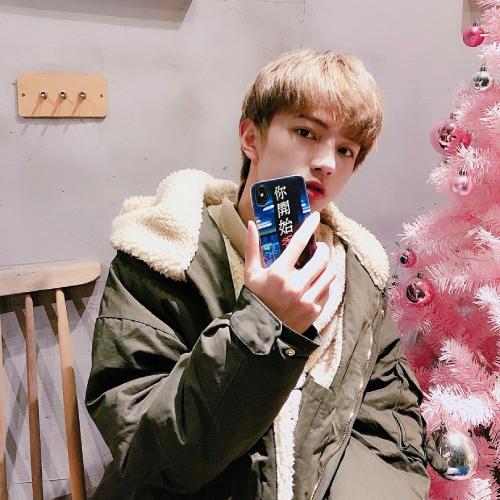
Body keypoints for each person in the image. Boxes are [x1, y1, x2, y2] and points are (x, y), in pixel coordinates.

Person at [85, 49, 430, 499]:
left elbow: (390, 435)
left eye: (346, 149)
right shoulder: (164, 255)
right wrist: (264, 323)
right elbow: (147, 457)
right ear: (251, 137)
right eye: (306, 132)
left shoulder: (359, 275)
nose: (327, 162)